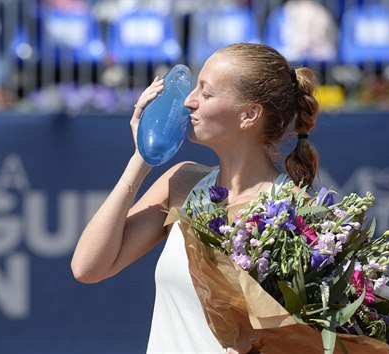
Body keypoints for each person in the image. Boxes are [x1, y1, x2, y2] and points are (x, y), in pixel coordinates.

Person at [71, 42, 320, 353]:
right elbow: (88, 267)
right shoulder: (181, 182)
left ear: (249, 114)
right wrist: (142, 158)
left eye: (206, 92)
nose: (189, 101)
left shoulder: (296, 212)